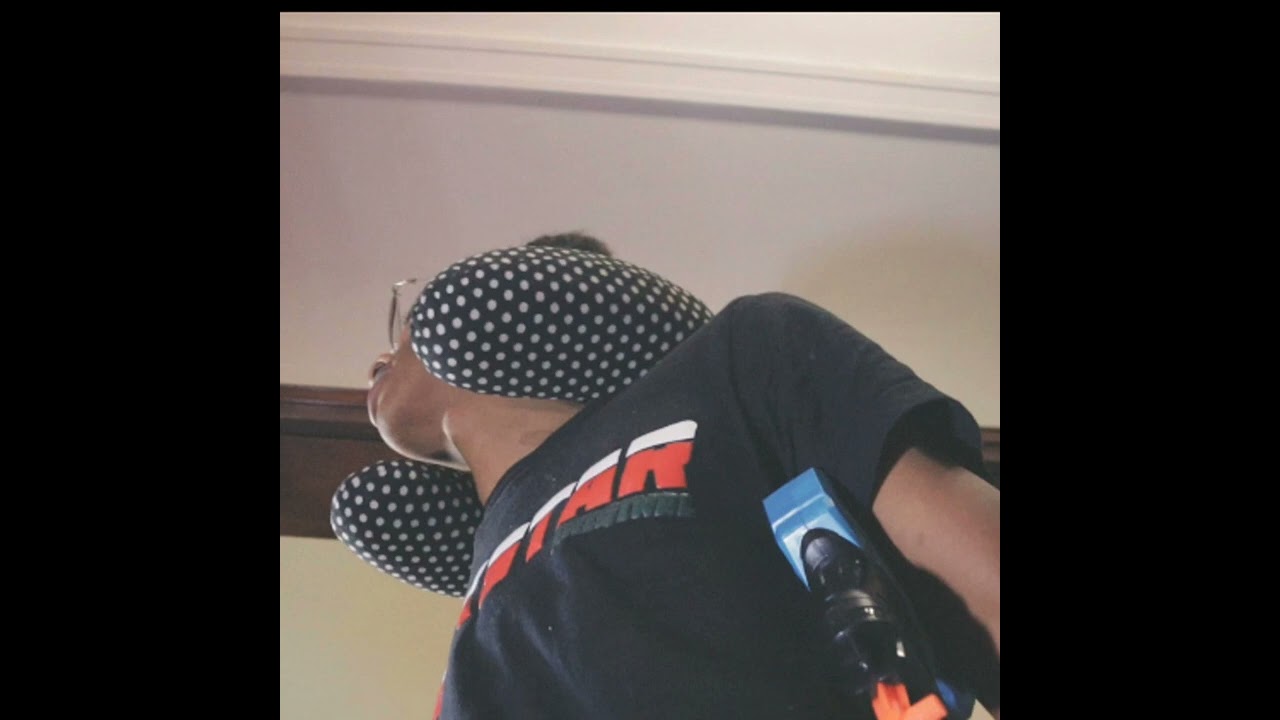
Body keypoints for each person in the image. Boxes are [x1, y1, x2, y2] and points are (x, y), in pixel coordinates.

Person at [333, 233, 999, 719]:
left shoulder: (736, 361)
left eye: (408, 324)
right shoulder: (487, 571)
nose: (378, 360)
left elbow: (980, 574)